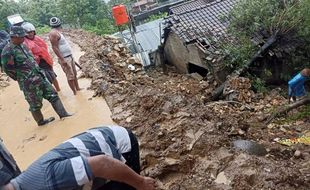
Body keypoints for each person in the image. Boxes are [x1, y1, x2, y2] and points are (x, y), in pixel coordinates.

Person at [1, 125, 156, 190]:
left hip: (118, 144)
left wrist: (140, 182)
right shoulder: (21, 184)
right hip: (95, 150)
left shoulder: (46, 180)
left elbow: (103, 163)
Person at [1, 26, 72, 126]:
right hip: (28, 83)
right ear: (14, 37)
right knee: (35, 104)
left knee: (53, 95)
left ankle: (63, 114)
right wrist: (22, 78)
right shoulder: (7, 51)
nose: (23, 38)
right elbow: (8, 70)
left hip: (40, 76)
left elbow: (32, 60)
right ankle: (41, 122)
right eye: (21, 37)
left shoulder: (23, 45)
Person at [22, 22, 61, 91]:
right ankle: (52, 92)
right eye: (28, 32)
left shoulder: (37, 38)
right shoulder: (24, 42)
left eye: (32, 32)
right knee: (45, 79)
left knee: (53, 75)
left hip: (45, 60)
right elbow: (27, 54)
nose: (31, 34)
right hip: (36, 63)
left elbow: (45, 47)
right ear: (25, 33)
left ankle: (58, 90)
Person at [49, 17, 81, 95]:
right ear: (60, 23)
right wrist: (62, 59)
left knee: (74, 74)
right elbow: (54, 47)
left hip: (69, 56)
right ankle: (75, 93)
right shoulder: (53, 33)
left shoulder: (58, 32)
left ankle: (78, 88)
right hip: (65, 58)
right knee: (70, 77)